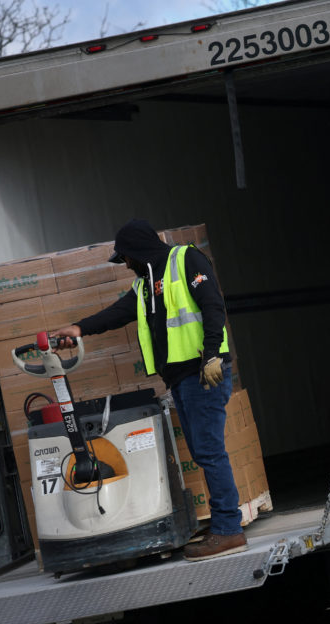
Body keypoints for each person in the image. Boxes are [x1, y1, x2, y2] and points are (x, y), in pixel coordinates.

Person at [53, 219, 246, 562]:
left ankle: (229, 529)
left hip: (203, 372)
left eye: (126, 257)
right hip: (181, 379)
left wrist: (213, 354)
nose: (126, 264)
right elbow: (117, 313)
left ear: (138, 251)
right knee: (204, 452)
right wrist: (79, 328)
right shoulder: (145, 286)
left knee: (210, 452)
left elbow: (213, 305)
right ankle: (224, 524)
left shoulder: (186, 260)